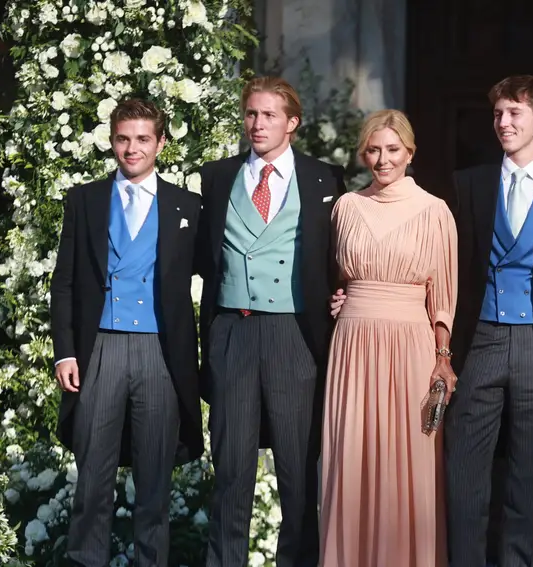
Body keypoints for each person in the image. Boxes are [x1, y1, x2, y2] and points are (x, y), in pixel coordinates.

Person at [195, 76, 346, 567]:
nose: (257, 124)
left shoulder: (326, 179)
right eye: (251, 114)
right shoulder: (217, 177)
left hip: (293, 336)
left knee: (297, 470)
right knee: (231, 470)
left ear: (292, 123)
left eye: (268, 116)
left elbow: (337, 256)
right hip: (234, 332)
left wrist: (345, 294)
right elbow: (202, 255)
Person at [50, 99, 204, 566]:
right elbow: (65, 281)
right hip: (101, 350)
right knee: (92, 481)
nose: (131, 148)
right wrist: (65, 352)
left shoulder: (188, 205)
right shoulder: (85, 199)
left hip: (161, 353)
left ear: (160, 142)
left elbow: (218, 271)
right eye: (122, 138)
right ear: (111, 140)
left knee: (154, 487)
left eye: (141, 139)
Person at [445, 75, 533, 566]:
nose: (503, 123)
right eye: (498, 114)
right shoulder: (469, 183)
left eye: (515, 114)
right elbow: (446, 264)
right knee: (465, 481)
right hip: (480, 341)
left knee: (528, 487)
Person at [322, 109, 457, 567]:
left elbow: (442, 297)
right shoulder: (346, 207)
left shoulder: (434, 211)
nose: (382, 159)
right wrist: (338, 300)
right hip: (353, 346)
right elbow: (338, 279)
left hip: (410, 348)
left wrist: (442, 357)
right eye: (374, 150)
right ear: (363, 154)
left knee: (408, 465)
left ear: (409, 153)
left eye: (392, 150)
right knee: (352, 460)